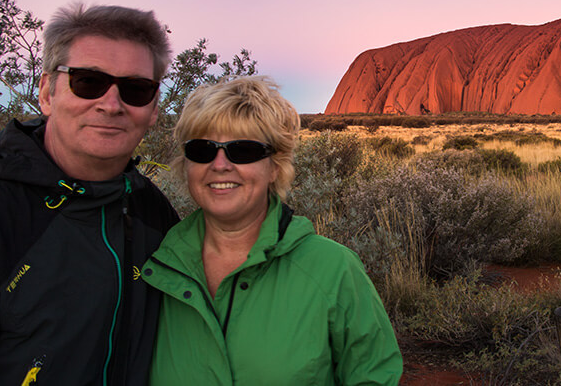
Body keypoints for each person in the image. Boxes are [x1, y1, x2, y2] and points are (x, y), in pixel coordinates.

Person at [0, 3, 179, 385]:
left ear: (153, 109)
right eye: (88, 82)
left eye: (135, 90)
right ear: (47, 92)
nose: (111, 104)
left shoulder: (154, 214)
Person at [142, 76, 403, 385]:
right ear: (187, 165)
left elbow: (373, 376)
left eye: (243, 150)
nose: (220, 164)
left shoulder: (333, 270)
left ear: (275, 166)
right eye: (203, 149)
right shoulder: (154, 268)